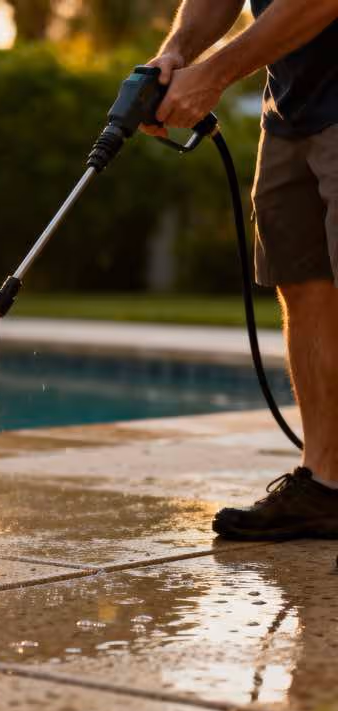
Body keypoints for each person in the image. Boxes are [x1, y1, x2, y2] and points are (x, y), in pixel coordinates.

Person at [142, 0, 338, 539]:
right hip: (294, 108)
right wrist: (176, 54)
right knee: (303, 285)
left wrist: (215, 73)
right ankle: (326, 487)